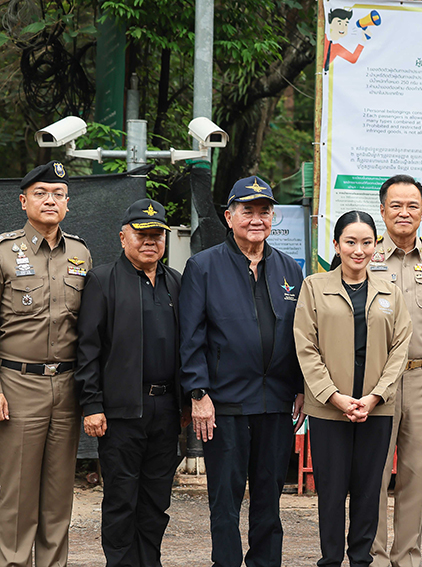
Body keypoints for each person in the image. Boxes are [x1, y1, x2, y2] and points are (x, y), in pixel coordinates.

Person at [179, 176, 306, 567]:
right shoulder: (203, 266)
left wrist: (301, 387)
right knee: (225, 501)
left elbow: (300, 335)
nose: (256, 219)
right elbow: (190, 337)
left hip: (276, 404)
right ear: (229, 217)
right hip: (225, 404)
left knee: (269, 499)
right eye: (247, 211)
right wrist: (198, 394)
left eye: (264, 211)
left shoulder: (289, 268)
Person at [294, 211, 412, 567]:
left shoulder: (391, 292)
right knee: (330, 492)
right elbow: (305, 346)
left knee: (368, 491)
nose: (358, 250)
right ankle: (330, 560)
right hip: (329, 409)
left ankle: (361, 560)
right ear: (336, 245)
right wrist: (333, 396)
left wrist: (375, 397)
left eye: (366, 242)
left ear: (376, 246)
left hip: (376, 409)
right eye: (350, 242)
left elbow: (400, 349)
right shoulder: (314, 287)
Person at [75, 199, 185, 567]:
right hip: (121, 410)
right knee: (121, 499)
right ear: (123, 238)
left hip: (166, 409)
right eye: (142, 235)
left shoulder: (176, 282)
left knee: (156, 501)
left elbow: (187, 345)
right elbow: (87, 348)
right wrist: (92, 404)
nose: (150, 241)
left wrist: (186, 402)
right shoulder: (102, 280)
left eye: (157, 235)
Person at [0, 161, 92, 567]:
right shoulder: (4, 253)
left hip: (67, 387)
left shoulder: (80, 253)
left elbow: (89, 328)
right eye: (40, 193)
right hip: (18, 384)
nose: (50, 200)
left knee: (58, 498)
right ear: (23, 202)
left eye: (58, 194)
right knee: (17, 496)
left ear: (68, 203)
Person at [370, 174, 422, 567]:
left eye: (412, 205)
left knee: (416, 475)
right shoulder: (363, 255)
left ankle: (408, 558)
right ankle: (375, 557)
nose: (404, 212)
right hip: (373, 380)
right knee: (374, 473)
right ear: (382, 209)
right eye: (396, 205)